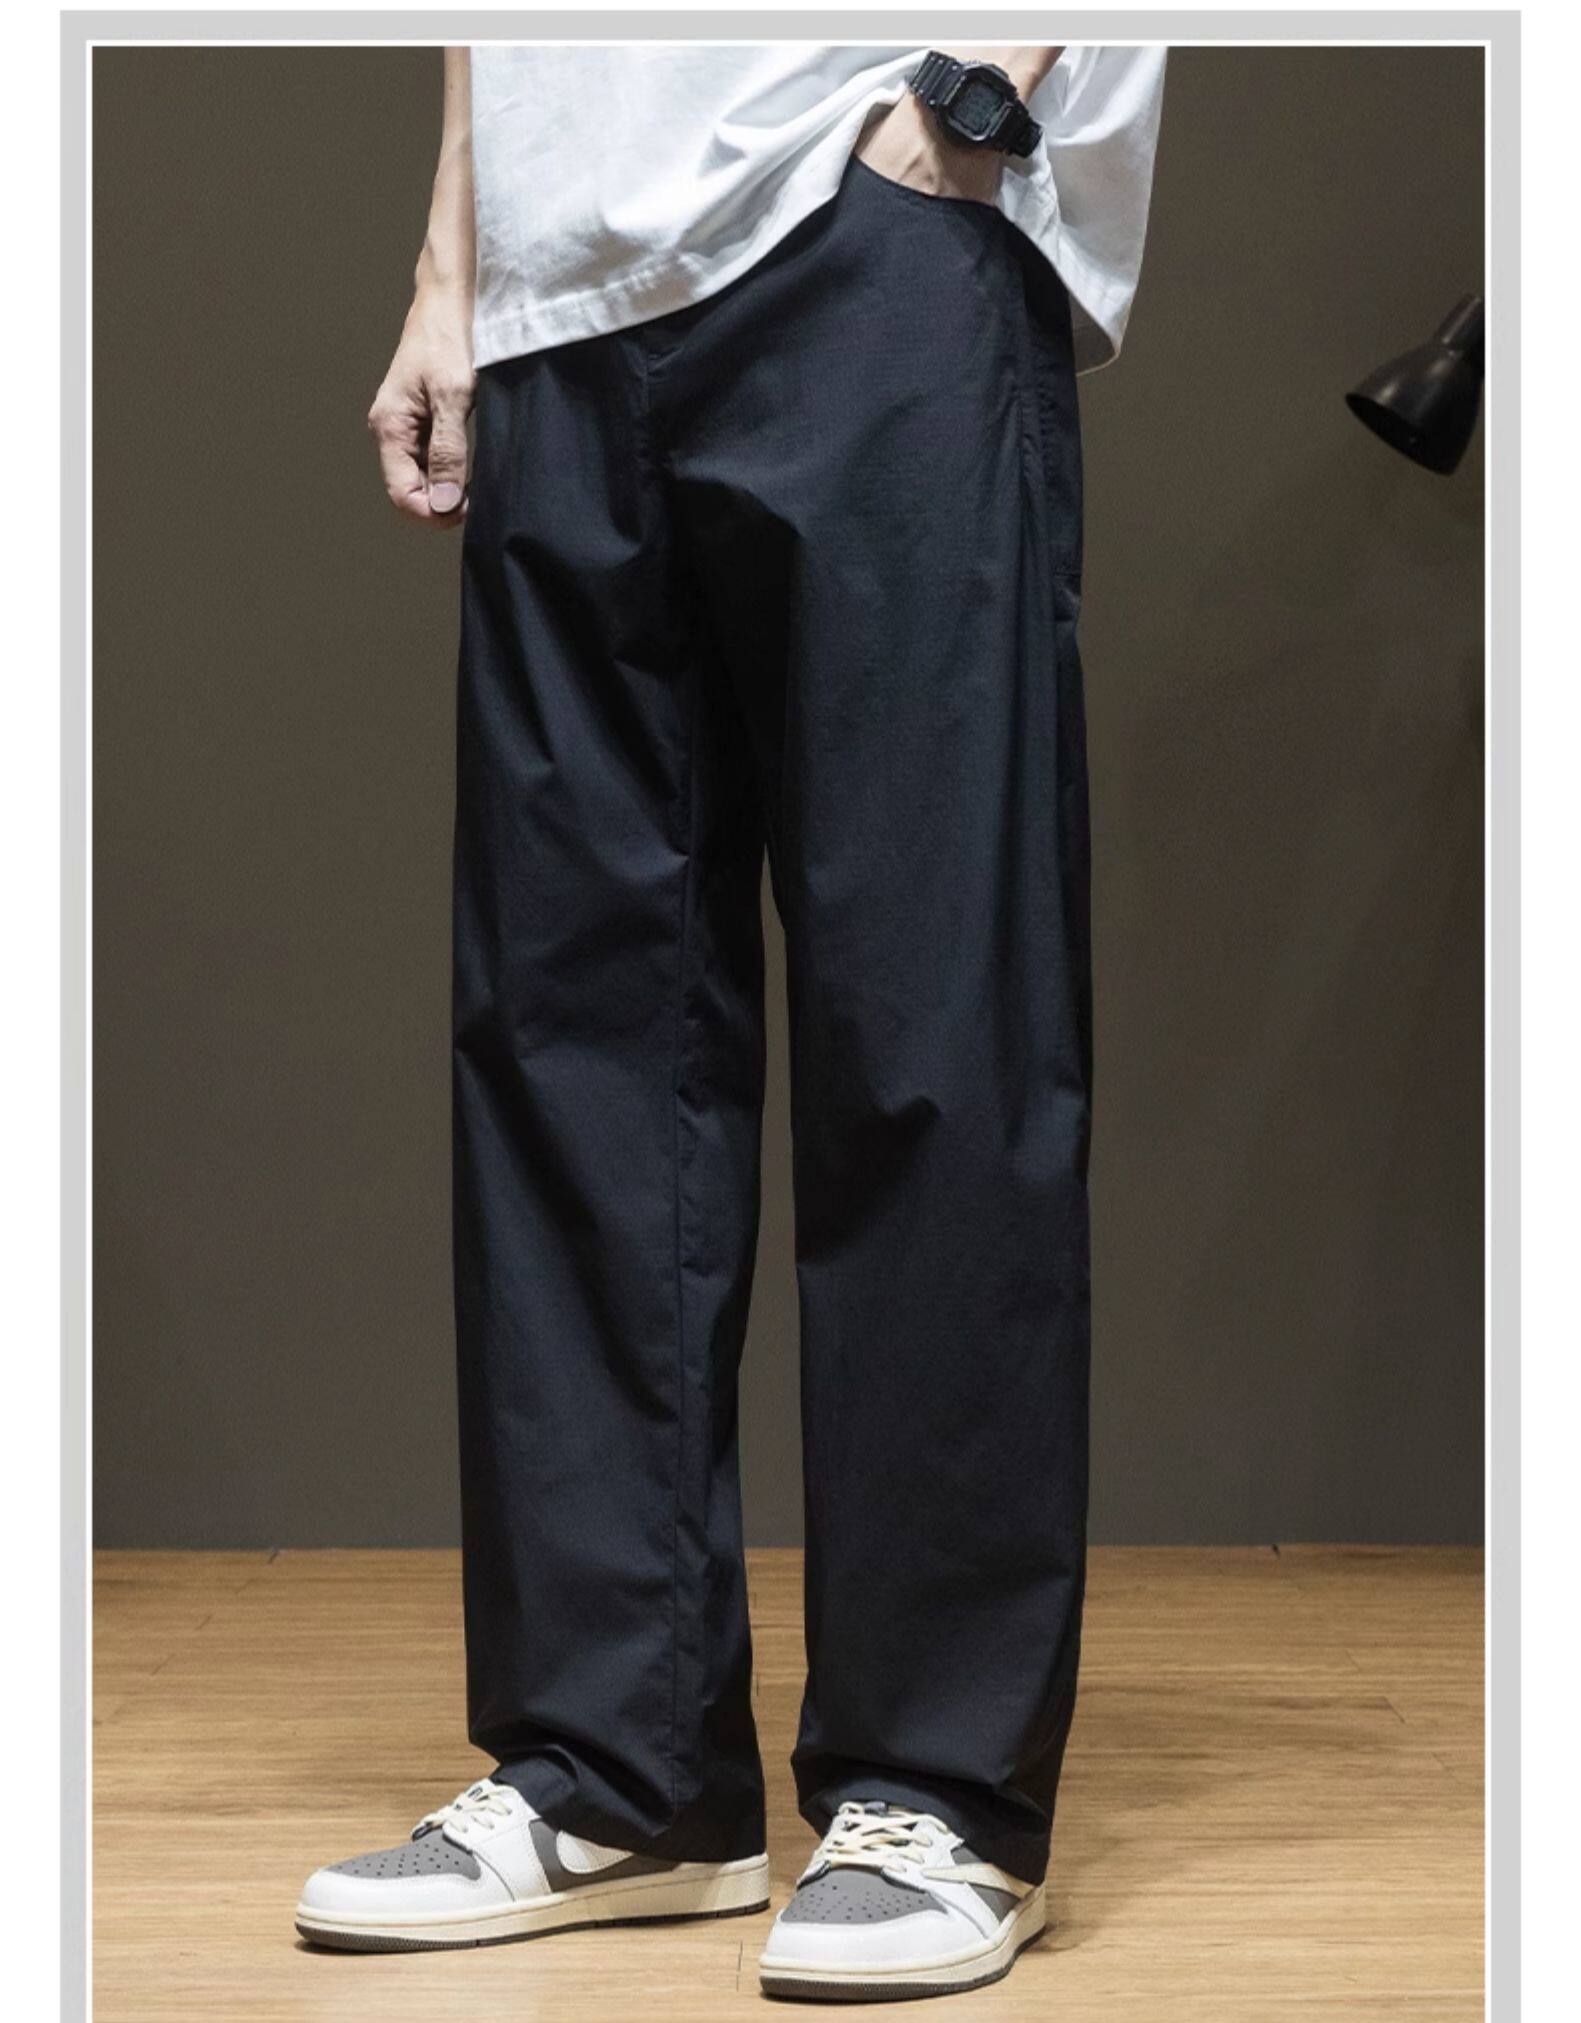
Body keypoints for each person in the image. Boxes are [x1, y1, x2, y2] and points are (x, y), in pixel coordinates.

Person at [295, 42, 1165, 2001]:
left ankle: (936, 1787)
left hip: (873, 217)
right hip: (558, 290)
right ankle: (618, 1771)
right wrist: (452, 260)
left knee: (929, 1028)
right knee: (569, 1043)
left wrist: (978, 83)